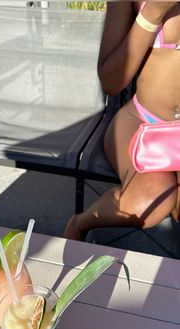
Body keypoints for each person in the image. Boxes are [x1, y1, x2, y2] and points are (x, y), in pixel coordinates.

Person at [64, 1, 180, 241]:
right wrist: (153, 12)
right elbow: (111, 83)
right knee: (149, 200)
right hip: (143, 122)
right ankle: (81, 223)